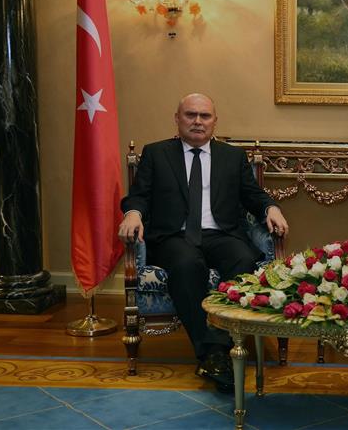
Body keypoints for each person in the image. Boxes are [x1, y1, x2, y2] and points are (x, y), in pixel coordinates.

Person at [118, 93, 289, 393]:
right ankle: (214, 352)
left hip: (221, 234)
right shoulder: (156, 153)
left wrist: (270, 208)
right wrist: (133, 213)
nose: (198, 121)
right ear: (177, 118)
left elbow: (253, 195)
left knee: (243, 259)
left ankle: (215, 352)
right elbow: (139, 195)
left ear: (214, 121)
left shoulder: (232, 157)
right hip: (174, 236)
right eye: (191, 115)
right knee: (187, 263)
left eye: (205, 116)